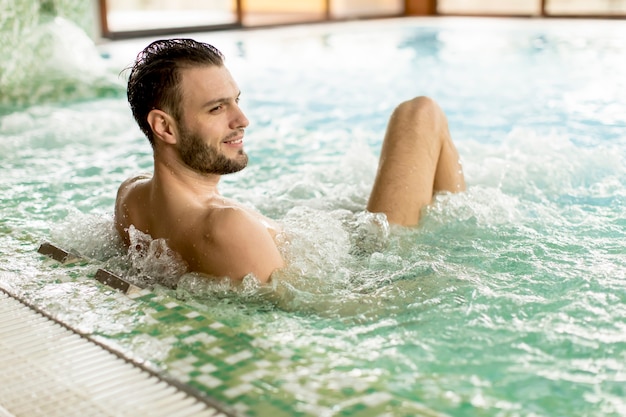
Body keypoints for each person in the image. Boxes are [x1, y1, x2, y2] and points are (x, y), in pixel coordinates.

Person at [114, 38, 465, 285]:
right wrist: (445, 278)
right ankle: (463, 221)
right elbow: (337, 308)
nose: (242, 119)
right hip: (372, 254)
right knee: (420, 113)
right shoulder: (225, 227)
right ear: (164, 126)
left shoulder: (132, 198)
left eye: (236, 101)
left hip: (334, 241)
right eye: (217, 108)